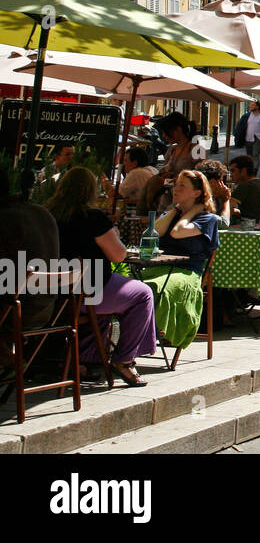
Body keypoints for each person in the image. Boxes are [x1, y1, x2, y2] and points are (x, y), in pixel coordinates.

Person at [46, 167, 156, 386]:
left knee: (104, 305)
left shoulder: (47, 213)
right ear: (90, 191)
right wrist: (113, 233)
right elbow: (118, 255)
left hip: (51, 295)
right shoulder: (92, 217)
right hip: (86, 292)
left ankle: (83, 359)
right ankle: (124, 360)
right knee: (143, 294)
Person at [142, 169, 222, 352]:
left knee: (154, 288)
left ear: (197, 193)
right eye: (176, 184)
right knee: (135, 286)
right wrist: (176, 210)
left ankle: (145, 337)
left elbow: (176, 233)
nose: (175, 189)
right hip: (160, 267)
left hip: (187, 272)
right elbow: (153, 233)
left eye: (182, 186)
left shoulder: (207, 219)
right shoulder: (173, 215)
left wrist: (192, 211)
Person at [0, 162, 60, 376]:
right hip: (47, 307)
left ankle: (7, 357)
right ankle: (7, 357)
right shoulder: (41, 212)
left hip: (16, 311)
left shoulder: (5, 218)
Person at [144, 112, 200, 211]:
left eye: (166, 132)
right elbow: (166, 169)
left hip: (185, 201)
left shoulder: (197, 150)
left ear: (178, 129)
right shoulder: (171, 150)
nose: (164, 136)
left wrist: (178, 178)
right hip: (166, 198)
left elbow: (201, 175)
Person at [229, 154, 260, 223]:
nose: (231, 175)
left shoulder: (245, 186)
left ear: (243, 170)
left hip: (256, 228)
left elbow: (227, 209)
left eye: (233, 171)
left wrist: (222, 196)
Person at [234, 101, 260, 174]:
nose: (250, 107)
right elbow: (240, 126)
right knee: (249, 156)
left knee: (256, 154)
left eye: (252, 105)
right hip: (248, 138)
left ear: (257, 106)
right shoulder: (246, 116)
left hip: (258, 138)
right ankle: (249, 171)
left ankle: (254, 171)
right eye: (250, 105)